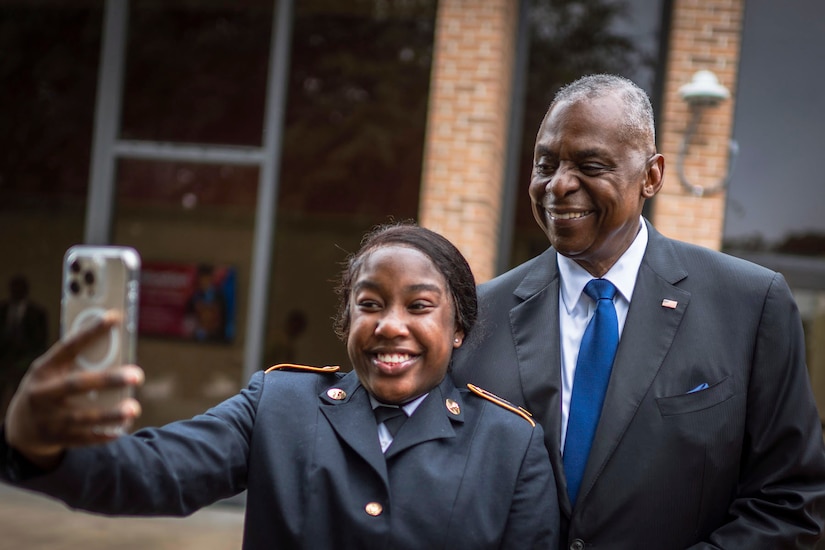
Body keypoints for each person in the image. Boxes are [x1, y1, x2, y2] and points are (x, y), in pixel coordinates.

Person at [0, 223, 559, 550]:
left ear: (458, 327)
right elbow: (154, 472)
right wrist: (36, 445)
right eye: (369, 305)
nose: (390, 324)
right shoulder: (279, 404)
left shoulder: (511, 445)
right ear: (347, 322)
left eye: (419, 306)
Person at [451, 74, 825, 548]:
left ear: (652, 175)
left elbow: (790, 500)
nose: (559, 185)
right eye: (546, 164)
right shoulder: (477, 314)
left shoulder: (751, 304)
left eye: (590, 165)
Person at [0, 275, 48, 419]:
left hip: (25, 360)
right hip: (3, 359)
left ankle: (20, 419)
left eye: (19, 287)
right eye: (13, 287)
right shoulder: (2, 310)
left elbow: (40, 342)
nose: (16, 291)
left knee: (21, 393)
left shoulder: (37, 313)